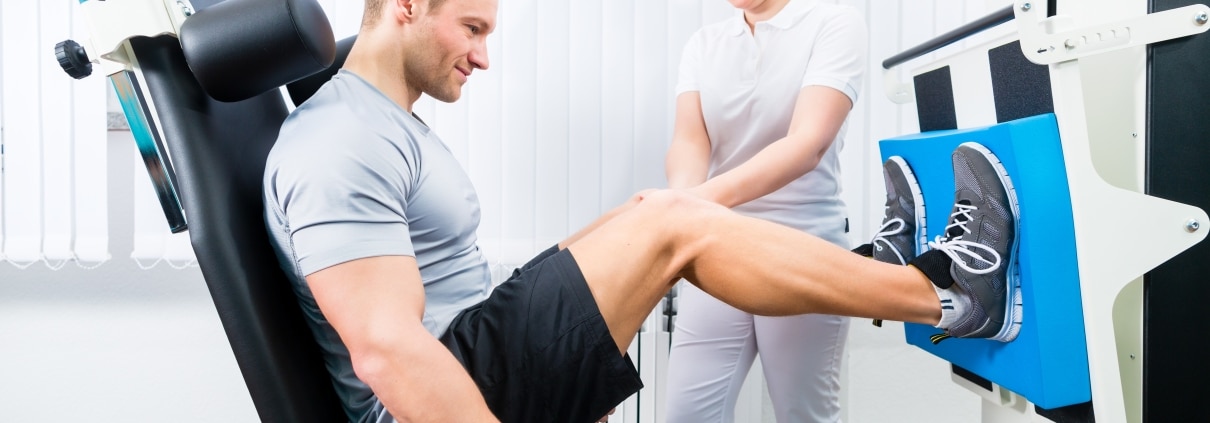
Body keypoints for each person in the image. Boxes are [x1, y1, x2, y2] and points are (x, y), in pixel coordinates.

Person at [261, 0, 1023, 422]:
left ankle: (907, 277)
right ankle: (947, 292)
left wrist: (636, 220)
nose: (484, 56)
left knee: (650, 209)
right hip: (452, 379)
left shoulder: (380, 122)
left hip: (477, 342)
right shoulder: (338, 139)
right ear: (406, 6)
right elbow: (387, 354)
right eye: (473, 29)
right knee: (675, 223)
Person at [661, 0, 866, 421]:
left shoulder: (833, 22)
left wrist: (695, 203)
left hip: (803, 246)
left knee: (802, 412)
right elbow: (689, 141)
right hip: (718, 246)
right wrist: (681, 200)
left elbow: (807, 144)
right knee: (687, 414)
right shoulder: (705, 43)